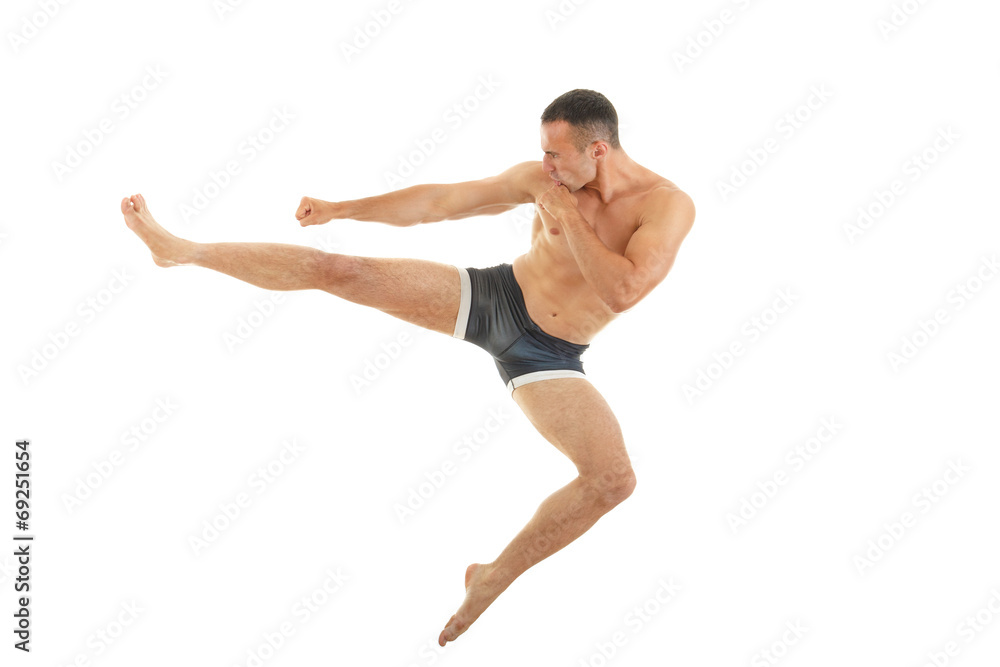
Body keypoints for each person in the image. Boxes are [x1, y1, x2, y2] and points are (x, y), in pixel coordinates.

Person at [121, 89, 695, 646]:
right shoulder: (542, 180)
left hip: (549, 356)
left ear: (598, 150)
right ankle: (181, 250)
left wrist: (567, 214)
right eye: (542, 153)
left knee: (613, 481)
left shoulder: (665, 205)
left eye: (555, 155)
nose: (545, 167)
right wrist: (343, 209)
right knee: (339, 270)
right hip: (494, 298)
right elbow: (439, 202)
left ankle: (491, 577)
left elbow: (622, 291)